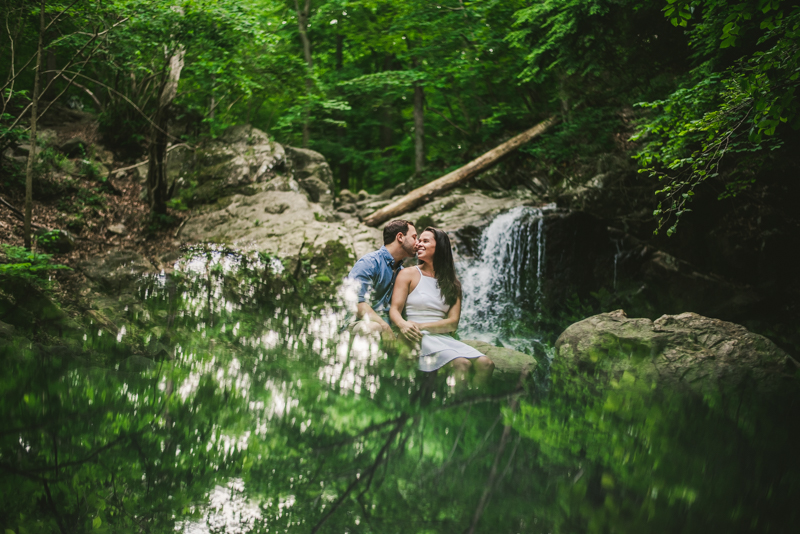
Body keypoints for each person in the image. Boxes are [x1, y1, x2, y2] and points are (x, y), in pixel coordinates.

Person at [389, 226, 495, 387]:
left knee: (486, 364)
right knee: (462, 364)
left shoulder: (454, 284)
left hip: (440, 336)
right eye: (419, 240)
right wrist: (404, 325)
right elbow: (394, 309)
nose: (419, 244)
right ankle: (453, 409)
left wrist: (422, 326)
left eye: (425, 241)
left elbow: (453, 323)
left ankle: (472, 408)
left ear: (440, 247)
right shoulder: (408, 274)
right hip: (417, 337)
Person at [345, 220, 418, 341]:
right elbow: (358, 303)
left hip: (389, 327)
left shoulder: (403, 272)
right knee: (374, 328)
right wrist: (384, 327)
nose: (418, 242)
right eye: (414, 237)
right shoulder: (369, 263)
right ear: (400, 237)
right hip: (360, 325)